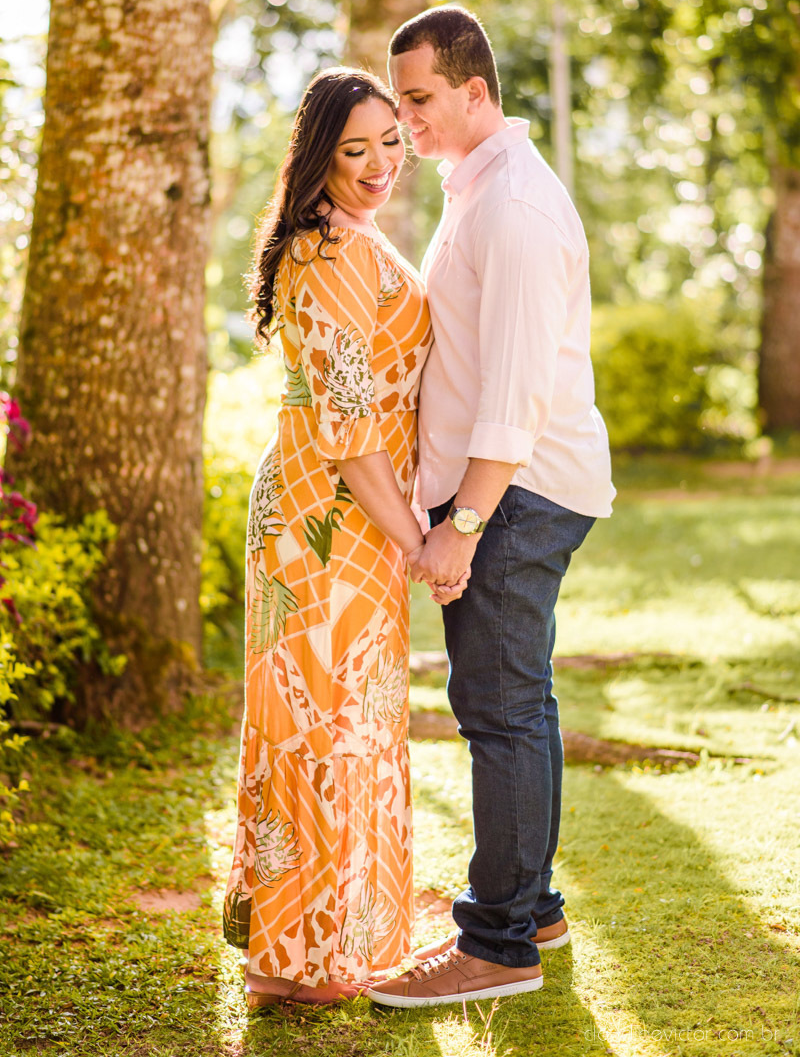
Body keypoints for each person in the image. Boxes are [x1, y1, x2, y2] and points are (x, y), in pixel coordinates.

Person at [368, 7, 615, 1009]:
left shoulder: (512, 203)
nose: (406, 123)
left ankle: (499, 943)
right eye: (401, 103)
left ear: (476, 91)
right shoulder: (480, 188)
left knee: (500, 710)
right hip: (513, 489)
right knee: (517, 703)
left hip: (514, 493)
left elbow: (511, 391)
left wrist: (460, 524)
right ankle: (534, 905)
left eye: (419, 101)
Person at [222, 67, 467, 1007]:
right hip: (326, 525)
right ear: (317, 154)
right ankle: (295, 960)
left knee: (351, 722)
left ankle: (333, 945)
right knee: (316, 724)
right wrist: (416, 539)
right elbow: (351, 428)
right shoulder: (322, 258)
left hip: (359, 520)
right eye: (353, 149)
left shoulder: (351, 240)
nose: (376, 167)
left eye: (388, 145)